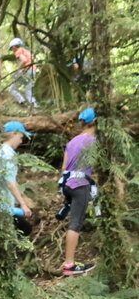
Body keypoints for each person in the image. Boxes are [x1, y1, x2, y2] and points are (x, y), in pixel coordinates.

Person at [58, 108, 98, 276]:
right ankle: (69, 265)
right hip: (80, 184)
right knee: (75, 223)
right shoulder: (94, 141)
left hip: (67, 183)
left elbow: (63, 168)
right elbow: (97, 166)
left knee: (73, 221)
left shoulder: (72, 141)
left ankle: (69, 262)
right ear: (96, 122)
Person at [0, 121, 34, 236]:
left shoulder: (0, 151)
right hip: (4, 206)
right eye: (21, 137)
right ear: (13, 134)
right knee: (25, 229)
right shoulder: (7, 154)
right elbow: (10, 183)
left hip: (0, 204)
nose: (21, 141)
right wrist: (23, 204)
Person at [8, 38, 39, 108]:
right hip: (32, 71)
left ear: (14, 47)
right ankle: (34, 105)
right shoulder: (27, 51)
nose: (12, 50)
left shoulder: (18, 51)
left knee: (12, 89)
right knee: (28, 89)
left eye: (11, 48)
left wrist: (18, 69)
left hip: (27, 71)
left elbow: (24, 60)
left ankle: (22, 101)